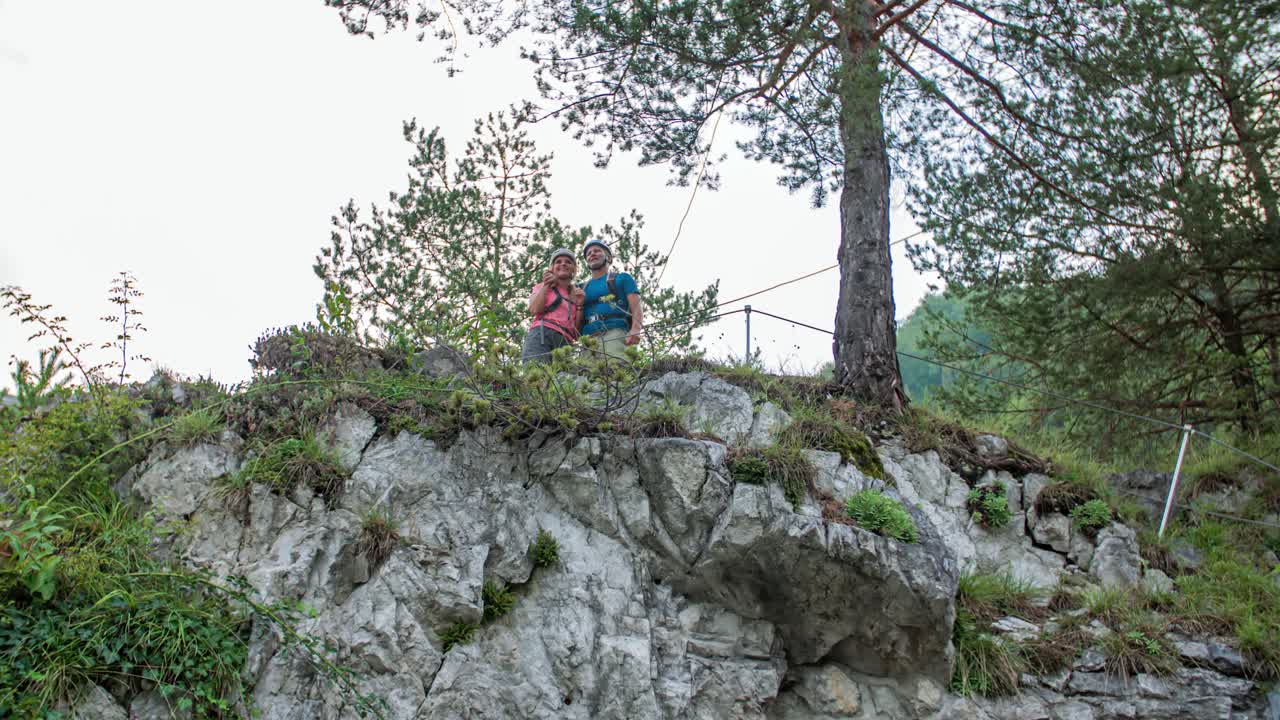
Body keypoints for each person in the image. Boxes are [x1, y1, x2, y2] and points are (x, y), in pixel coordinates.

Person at [579, 239, 642, 359]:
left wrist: (636, 329)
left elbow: (636, 306)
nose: (592, 254)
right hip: (588, 338)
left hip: (615, 332)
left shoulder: (622, 278)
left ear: (608, 258)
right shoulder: (581, 288)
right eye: (589, 253)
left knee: (615, 370)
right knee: (585, 375)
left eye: (597, 251)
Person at [521, 248, 586, 364]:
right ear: (551, 268)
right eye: (558, 262)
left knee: (564, 380)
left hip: (565, 341)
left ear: (574, 269)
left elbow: (577, 334)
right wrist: (547, 285)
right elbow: (534, 309)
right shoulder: (541, 287)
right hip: (541, 335)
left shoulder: (576, 295)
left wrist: (580, 305)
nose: (563, 264)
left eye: (568, 262)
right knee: (536, 375)